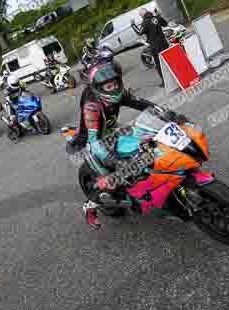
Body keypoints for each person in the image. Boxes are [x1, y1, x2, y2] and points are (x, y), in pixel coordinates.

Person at [66, 60, 186, 228]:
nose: (114, 88)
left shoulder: (118, 92)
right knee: (114, 179)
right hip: (91, 143)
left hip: (111, 130)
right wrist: (113, 160)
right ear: (99, 88)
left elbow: (142, 104)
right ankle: (90, 206)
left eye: (115, 84)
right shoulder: (92, 107)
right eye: (108, 87)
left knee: (148, 142)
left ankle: (157, 183)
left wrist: (168, 114)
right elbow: (94, 142)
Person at [132, 8, 169, 87]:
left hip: (155, 46)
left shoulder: (145, 22)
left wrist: (133, 25)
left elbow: (139, 32)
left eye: (141, 16)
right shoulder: (156, 17)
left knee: (159, 64)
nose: (141, 17)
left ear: (142, 15)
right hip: (164, 42)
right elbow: (165, 24)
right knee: (169, 59)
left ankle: (165, 82)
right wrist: (159, 15)